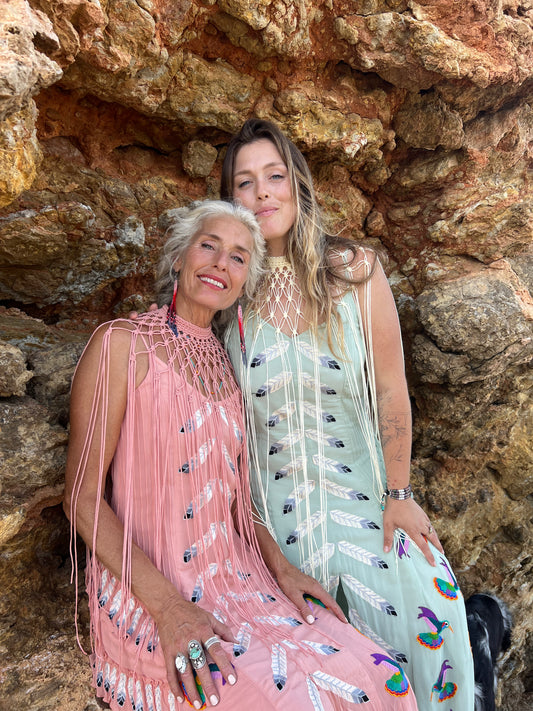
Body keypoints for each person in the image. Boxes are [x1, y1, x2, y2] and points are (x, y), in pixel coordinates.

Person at [64, 199, 420, 711]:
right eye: (208, 245)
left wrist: (284, 571)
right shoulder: (121, 343)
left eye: (238, 257)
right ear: (180, 256)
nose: (220, 264)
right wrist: (169, 610)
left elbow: (237, 502)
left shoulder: (227, 368)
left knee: (382, 677)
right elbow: (81, 499)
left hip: (241, 585)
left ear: (244, 282)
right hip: (150, 594)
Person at [219, 119, 475, 710]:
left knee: (435, 622)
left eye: (275, 176)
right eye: (244, 182)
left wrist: (400, 493)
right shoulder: (228, 294)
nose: (262, 193)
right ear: (229, 200)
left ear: (297, 184)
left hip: (372, 509)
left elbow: (390, 386)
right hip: (280, 538)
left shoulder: (354, 270)